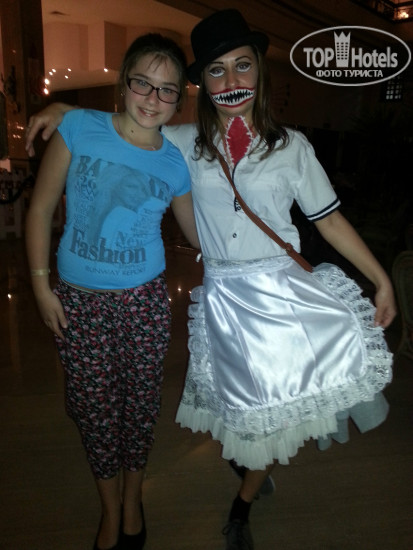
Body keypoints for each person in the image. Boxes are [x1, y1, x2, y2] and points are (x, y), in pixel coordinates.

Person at [25, 10, 396, 550]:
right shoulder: (182, 141)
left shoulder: (292, 146)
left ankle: (242, 504)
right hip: (224, 301)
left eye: (242, 65)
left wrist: (380, 279)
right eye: (217, 70)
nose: (232, 80)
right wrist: (67, 112)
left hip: (282, 295)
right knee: (242, 409)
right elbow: (131, 122)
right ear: (201, 84)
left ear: (260, 71)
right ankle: (239, 474)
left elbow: (330, 220)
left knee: (278, 411)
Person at [25, 33, 199, 550]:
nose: (153, 98)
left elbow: (198, 235)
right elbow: (40, 209)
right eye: (143, 83)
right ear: (123, 84)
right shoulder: (79, 128)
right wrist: (40, 287)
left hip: (143, 303)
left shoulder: (174, 163)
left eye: (167, 90)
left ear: (178, 100)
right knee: (96, 412)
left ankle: (132, 500)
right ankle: (109, 508)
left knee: (139, 410)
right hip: (78, 303)